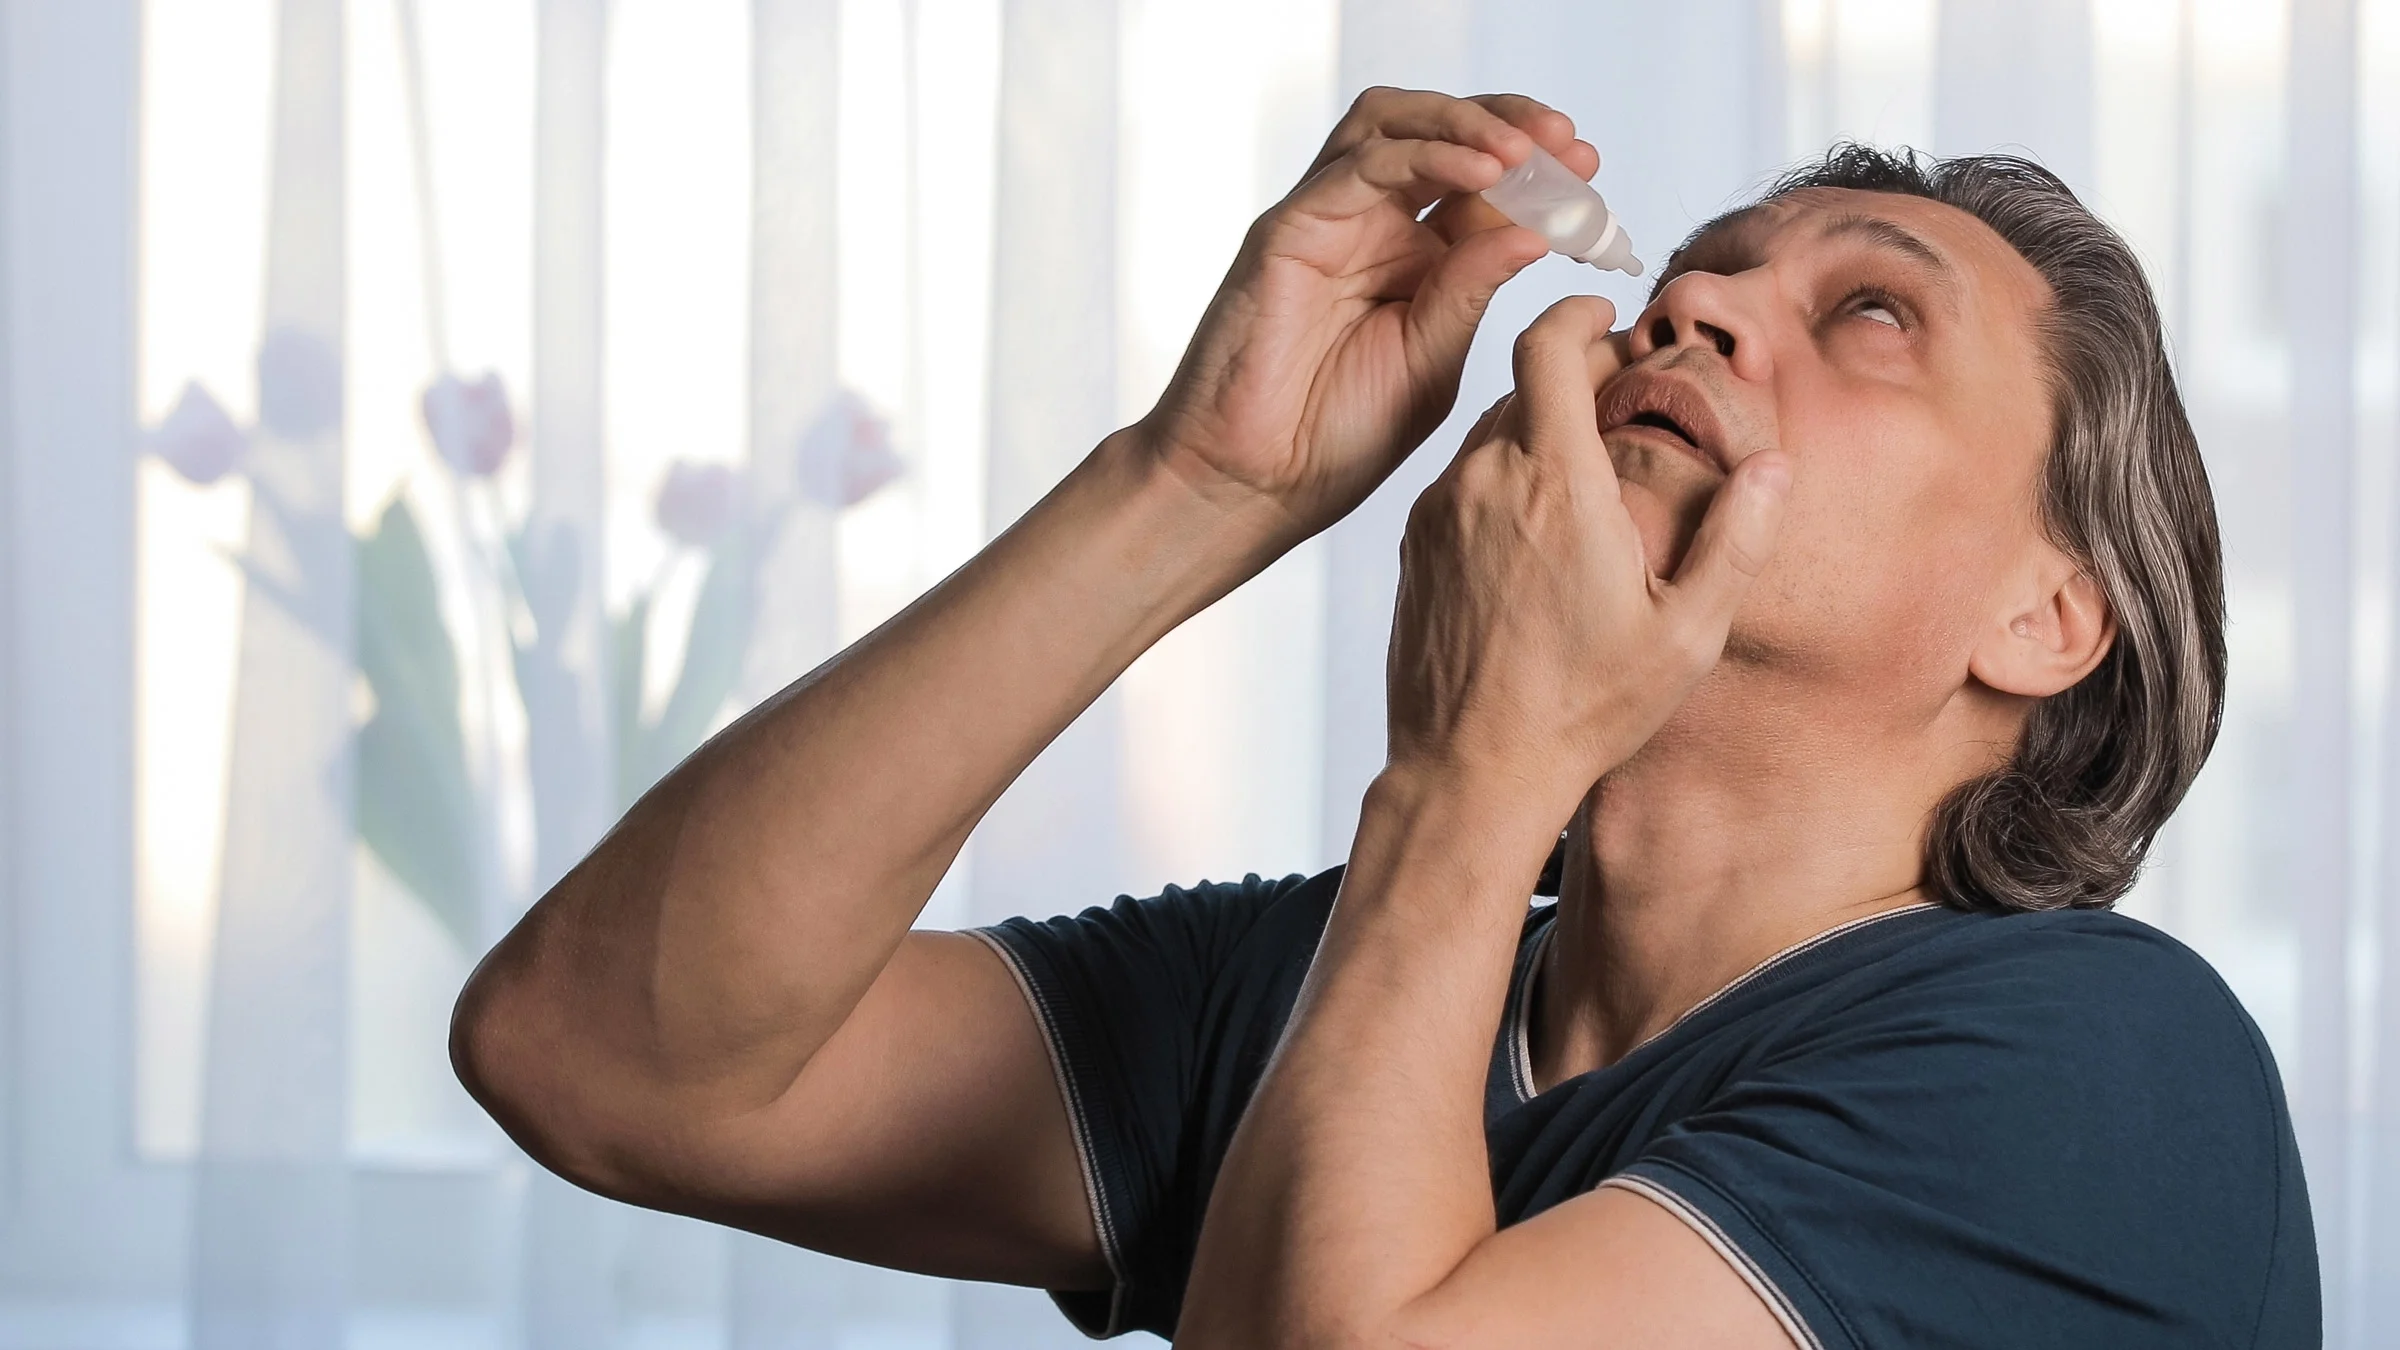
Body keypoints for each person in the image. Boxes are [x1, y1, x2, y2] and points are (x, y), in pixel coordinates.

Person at [450, 89, 2318, 1348]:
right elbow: (601, 1055)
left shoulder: (2104, 1068)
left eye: (1873, 315)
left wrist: (1475, 766)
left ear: (2051, 615)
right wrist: (1198, 482)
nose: (1704, 304)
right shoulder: (1331, 983)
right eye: (1711, 268)